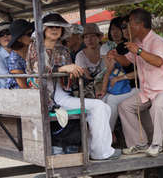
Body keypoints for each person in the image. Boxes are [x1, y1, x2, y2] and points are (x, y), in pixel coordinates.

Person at [26, 13, 120, 161]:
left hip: (62, 95)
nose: (55, 29)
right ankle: (100, 152)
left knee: (103, 107)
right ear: (43, 29)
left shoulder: (63, 50)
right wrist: (63, 69)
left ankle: (94, 149)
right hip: (43, 97)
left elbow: (71, 78)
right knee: (99, 107)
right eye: (51, 27)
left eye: (58, 27)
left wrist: (75, 74)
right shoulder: (35, 47)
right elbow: (39, 71)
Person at [114, 8, 163, 157]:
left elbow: (158, 61)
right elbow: (126, 62)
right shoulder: (137, 42)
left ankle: (157, 145)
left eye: (130, 23)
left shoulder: (157, 40)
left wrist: (138, 51)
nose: (127, 27)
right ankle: (140, 144)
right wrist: (115, 56)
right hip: (148, 91)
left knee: (157, 106)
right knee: (124, 107)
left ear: (139, 24)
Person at [97, 17, 139, 131]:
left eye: (121, 28)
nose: (115, 32)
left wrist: (121, 77)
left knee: (111, 100)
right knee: (102, 100)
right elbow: (110, 70)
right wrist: (103, 89)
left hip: (135, 86)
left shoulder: (135, 46)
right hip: (122, 87)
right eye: (112, 29)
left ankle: (107, 135)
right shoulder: (119, 48)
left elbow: (138, 72)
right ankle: (100, 135)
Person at [74, 23, 107, 98]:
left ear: (99, 37)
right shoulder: (80, 55)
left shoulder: (106, 50)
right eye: (86, 37)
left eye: (93, 36)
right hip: (90, 90)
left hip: (108, 85)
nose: (89, 40)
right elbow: (87, 76)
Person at [6, 19, 34, 89]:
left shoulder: (32, 50)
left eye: (33, 33)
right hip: (19, 94)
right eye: (29, 34)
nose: (32, 36)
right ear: (19, 39)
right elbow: (23, 86)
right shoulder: (14, 58)